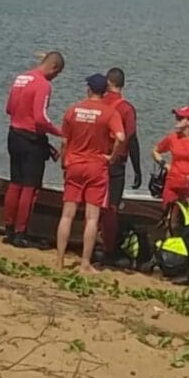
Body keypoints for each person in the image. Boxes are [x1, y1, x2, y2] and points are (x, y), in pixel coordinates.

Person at [56, 73, 125, 274]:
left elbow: (63, 141)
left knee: (67, 214)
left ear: (88, 89)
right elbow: (120, 137)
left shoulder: (73, 110)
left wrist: (64, 162)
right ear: (104, 92)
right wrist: (112, 157)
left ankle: (59, 260)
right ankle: (85, 263)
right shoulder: (110, 112)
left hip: (74, 164)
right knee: (92, 217)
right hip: (96, 166)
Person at [3, 50, 64, 248]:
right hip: (31, 141)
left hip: (14, 135)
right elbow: (40, 117)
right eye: (57, 74)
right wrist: (59, 132)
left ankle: (8, 230)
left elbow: (9, 108)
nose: (55, 78)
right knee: (30, 187)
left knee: (15, 183)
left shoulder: (21, 78)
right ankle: (21, 233)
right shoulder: (43, 85)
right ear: (54, 67)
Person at [99, 66, 142, 263]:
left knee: (94, 203)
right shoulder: (125, 108)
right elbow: (131, 139)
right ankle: (109, 249)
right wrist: (138, 170)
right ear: (123, 84)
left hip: (95, 159)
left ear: (108, 83)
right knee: (112, 207)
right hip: (116, 162)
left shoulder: (96, 102)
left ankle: (91, 242)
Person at [152, 106, 189, 206]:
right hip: (172, 183)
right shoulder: (172, 138)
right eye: (177, 117)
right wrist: (165, 165)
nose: (176, 120)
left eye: (180, 118)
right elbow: (155, 151)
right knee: (169, 214)